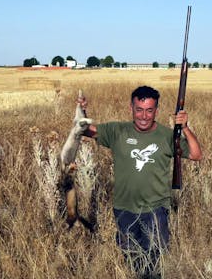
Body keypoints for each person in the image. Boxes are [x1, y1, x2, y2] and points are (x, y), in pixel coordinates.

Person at [79, 85, 202, 277]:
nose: (144, 116)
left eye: (149, 110)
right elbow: (86, 130)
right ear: (131, 109)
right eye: (139, 110)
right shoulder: (117, 130)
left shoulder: (167, 136)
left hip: (155, 210)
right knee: (132, 259)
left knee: (154, 263)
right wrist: (83, 111)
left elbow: (196, 154)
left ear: (156, 111)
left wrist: (184, 128)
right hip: (124, 209)